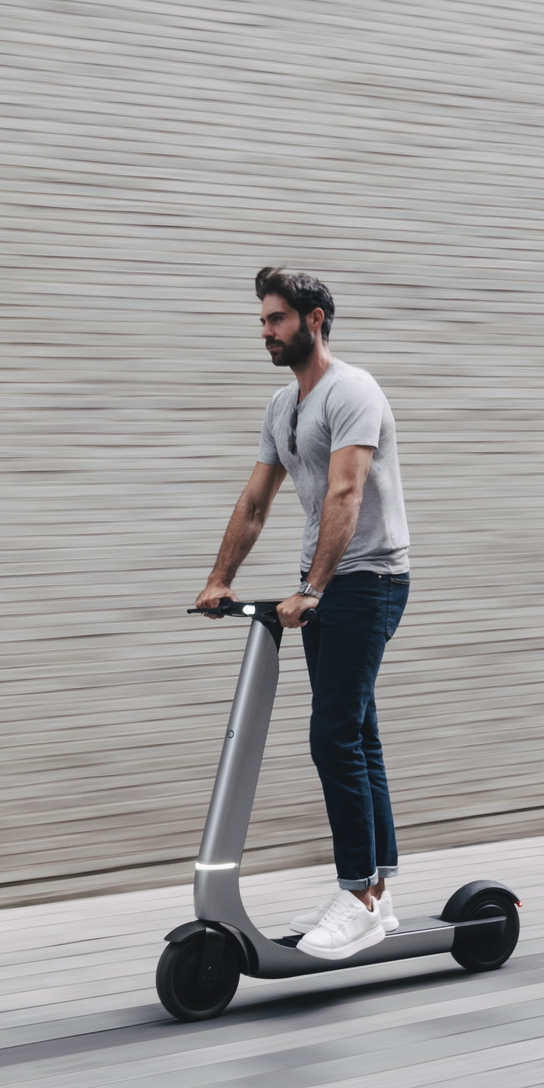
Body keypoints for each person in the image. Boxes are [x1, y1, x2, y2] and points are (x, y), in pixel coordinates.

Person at [193, 267, 412, 960]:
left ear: (315, 320)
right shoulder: (284, 407)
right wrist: (218, 578)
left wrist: (314, 591)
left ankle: (357, 897)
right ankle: (379, 888)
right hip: (327, 583)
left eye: (277, 319)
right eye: (262, 321)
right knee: (357, 732)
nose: (266, 332)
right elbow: (255, 501)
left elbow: (345, 495)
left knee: (335, 736)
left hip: (368, 579)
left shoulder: (353, 391)